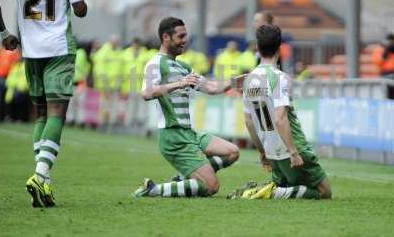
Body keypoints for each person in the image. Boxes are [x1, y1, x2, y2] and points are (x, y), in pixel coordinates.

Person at [0, 0, 87, 207]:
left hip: (30, 50)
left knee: (41, 115)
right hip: (58, 47)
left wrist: (3, 32)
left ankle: (43, 184)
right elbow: (80, 10)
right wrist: (76, 3)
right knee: (57, 113)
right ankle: (40, 175)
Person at [133, 17, 244, 198]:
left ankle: (184, 178)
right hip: (172, 136)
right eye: (181, 36)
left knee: (232, 152)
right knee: (210, 187)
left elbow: (211, 88)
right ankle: (153, 189)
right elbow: (146, 93)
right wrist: (178, 84)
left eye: (186, 36)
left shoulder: (183, 67)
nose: (185, 41)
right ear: (166, 37)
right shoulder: (155, 63)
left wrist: (234, 82)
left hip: (189, 133)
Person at [237, 24, 331, 200]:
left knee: (291, 187)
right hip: (291, 147)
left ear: (257, 47)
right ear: (280, 49)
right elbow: (280, 118)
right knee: (324, 192)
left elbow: (249, 122)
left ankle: (274, 189)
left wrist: (262, 152)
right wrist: (294, 152)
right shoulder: (279, 77)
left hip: (270, 148)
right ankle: (272, 192)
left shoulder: (248, 80)